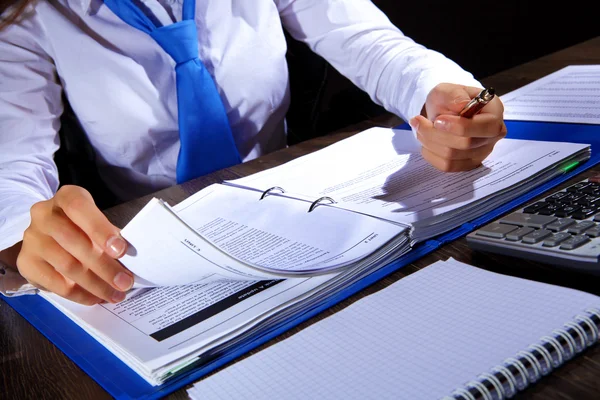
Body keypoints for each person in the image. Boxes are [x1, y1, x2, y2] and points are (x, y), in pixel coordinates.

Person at [0, 0, 507, 305]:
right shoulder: (27, 17)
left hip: (293, 208)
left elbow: (366, 39)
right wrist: (30, 234)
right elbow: (13, 161)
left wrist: (440, 93)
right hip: (145, 249)